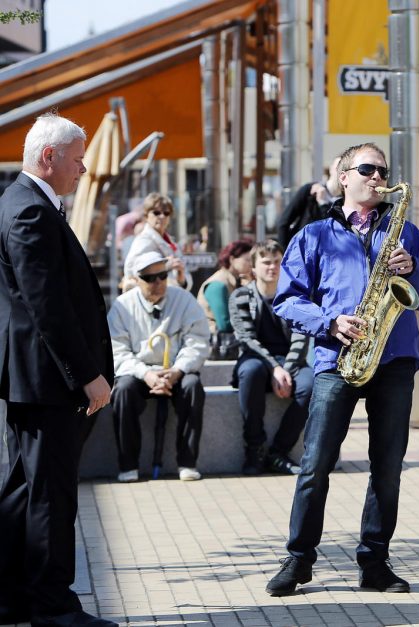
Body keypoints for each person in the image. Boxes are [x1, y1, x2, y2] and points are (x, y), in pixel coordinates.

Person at [265, 142, 419, 596]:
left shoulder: (407, 233)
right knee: (315, 465)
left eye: (383, 170)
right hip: (335, 359)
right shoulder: (314, 235)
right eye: (368, 169)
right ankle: (299, 560)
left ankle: (375, 563)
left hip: (394, 359)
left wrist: (414, 270)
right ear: (343, 176)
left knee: (387, 467)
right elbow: (286, 299)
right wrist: (330, 321)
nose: (377, 177)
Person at [0, 113, 115, 627]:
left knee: (25, 491)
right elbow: (46, 304)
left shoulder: (21, 203)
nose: (84, 169)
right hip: (48, 379)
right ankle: (53, 606)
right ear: (49, 157)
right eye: (77, 159)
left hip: (35, 377)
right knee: (50, 494)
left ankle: (13, 597)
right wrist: (86, 374)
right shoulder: (28, 211)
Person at [108, 251, 211, 483]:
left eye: (163, 276)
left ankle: (187, 462)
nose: (158, 283)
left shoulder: (184, 300)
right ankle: (128, 465)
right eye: (150, 278)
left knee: (193, 386)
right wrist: (146, 374)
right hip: (139, 372)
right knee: (122, 391)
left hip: (175, 370)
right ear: (136, 279)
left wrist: (177, 371)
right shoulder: (122, 306)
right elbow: (117, 350)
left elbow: (199, 341)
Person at [229, 239, 313, 476]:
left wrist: (286, 367)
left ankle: (278, 452)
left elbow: (301, 336)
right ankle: (254, 449)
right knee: (251, 372)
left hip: (290, 361)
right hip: (256, 358)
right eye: (266, 262)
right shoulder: (240, 297)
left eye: (277, 262)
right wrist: (275, 368)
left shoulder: (294, 296)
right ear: (253, 268)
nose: (272, 267)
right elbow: (247, 339)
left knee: (312, 385)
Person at [196, 238, 254, 358]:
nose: (251, 264)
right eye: (247, 259)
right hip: (214, 345)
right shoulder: (218, 284)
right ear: (232, 259)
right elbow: (225, 324)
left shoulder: (236, 281)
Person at [122, 193, 192, 290]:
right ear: (146, 216)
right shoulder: (144, 240)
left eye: (166, 213)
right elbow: (132, 271)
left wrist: (182, 279)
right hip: (150, 299)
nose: (162, 216)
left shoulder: (171, 242)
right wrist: (165, 266)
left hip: (171, 298)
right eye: (156, 213)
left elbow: (184, 279)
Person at [276, 156, 341, 249]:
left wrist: (323, 204)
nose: (340, 172)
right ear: (331, 169)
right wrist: (284, 252)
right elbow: (284, 222)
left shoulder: (346, 201)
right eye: (338, 167)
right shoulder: (310, 191)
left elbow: (333, 230)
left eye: (345, 169)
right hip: (300, 252)